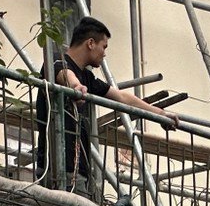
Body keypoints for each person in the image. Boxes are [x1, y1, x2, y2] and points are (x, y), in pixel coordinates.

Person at [33, 16, 178, 191]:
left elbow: (121, 97)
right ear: (91, 43)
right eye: (104, 46)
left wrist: (160, 114)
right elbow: (64, 73)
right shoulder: (56, 60)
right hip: (59, 167)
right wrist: (76, 87)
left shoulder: (87, 77)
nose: (105, 53)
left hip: (77, 169)